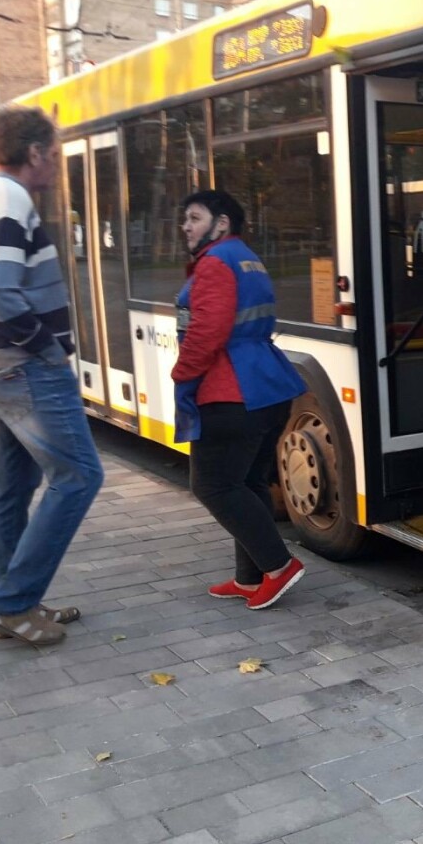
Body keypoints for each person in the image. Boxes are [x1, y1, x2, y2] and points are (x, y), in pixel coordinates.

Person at [0, 105, 104, 646]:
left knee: (11, 487)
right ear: (34, 152)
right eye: (56, 155)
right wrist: (46, 349)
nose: (58, 166)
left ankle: (13, 602)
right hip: (21, 367)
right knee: (81, 476)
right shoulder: (9, 197)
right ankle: (10, 602)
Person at [172, 190, 308, 610]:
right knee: (248, 482)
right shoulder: (246, 257)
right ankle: (250, 578)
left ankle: (278, 566)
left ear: (222, 223)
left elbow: (206, 333)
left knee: (212, 484)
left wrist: (181, 374)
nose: (186, 226)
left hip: (231, 391)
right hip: (268, 385)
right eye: (185, 219)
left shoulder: (214, 264)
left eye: (194, 217)